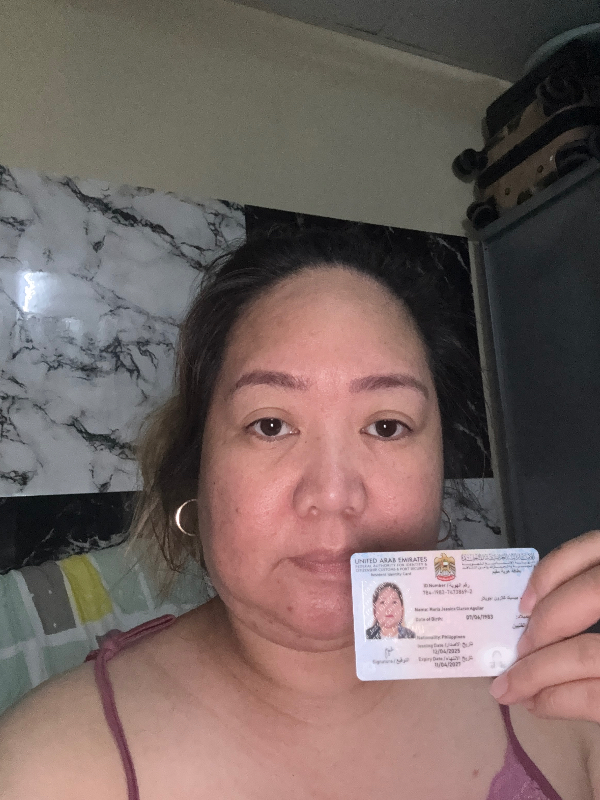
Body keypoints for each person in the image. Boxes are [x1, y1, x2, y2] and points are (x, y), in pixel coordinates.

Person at [1, 228, 600, 800]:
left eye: (386, 426)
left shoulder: (567, 700)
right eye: (270, 425)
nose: (333, 493)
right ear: (197, 467)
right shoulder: (42, 770)